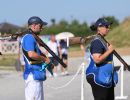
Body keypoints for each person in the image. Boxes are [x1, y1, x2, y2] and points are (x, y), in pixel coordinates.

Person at [86, 18, 118, 100]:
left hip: (106, 78)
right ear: (99, 28)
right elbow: (97, 59)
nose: (108, 28)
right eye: (106, 26)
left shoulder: (102, 40)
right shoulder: (97, 42)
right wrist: (110, 50)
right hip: (99, 78)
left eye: (109, 26)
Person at [21, 16, 51, 100]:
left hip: (35, 75)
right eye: (40, 26)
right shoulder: (29, 37)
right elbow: (31, 54)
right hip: (33, 75)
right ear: (34, 26)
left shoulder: (30, 37)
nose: (41, 29)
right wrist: (45, 59)